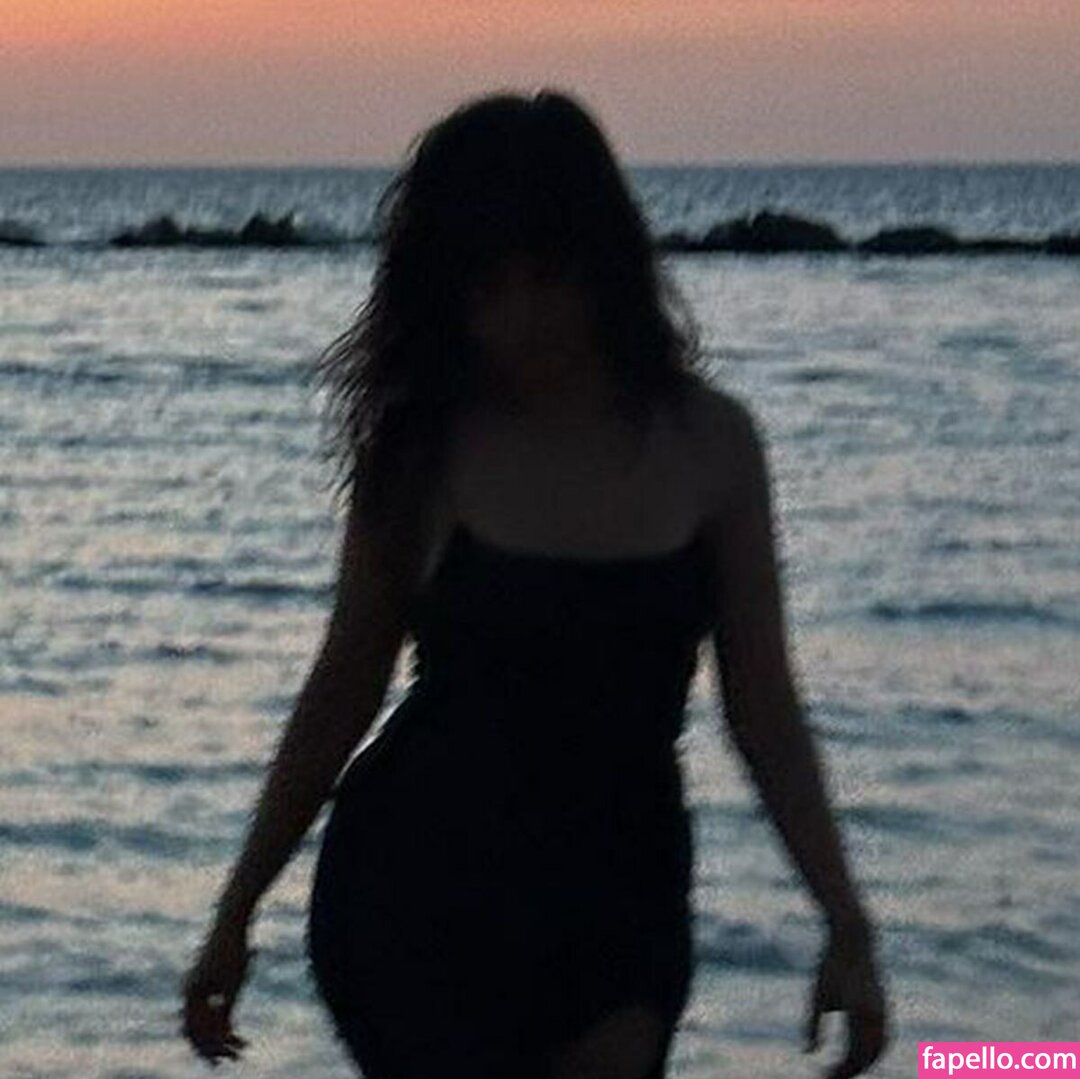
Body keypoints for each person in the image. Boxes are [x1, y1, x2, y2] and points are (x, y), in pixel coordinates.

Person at [179, 88, 889, 1079]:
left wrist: (845, 920)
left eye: (548, 278)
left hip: (623, 890)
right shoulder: (422, 451)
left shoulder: (712, 445)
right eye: (488, 285)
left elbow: (764, 704)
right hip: (419, 894)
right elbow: (343, 685)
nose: (521, 317)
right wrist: (236, 910)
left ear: (605, 266)